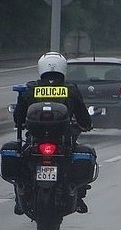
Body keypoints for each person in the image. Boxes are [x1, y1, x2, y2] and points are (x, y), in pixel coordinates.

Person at [13, 52, 93, 214]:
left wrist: (20, 121)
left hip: (34, 140)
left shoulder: (29, 89)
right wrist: (87, 124)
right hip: (64, 140)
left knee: (23, 163)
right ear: (63, 68)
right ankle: (78, 197)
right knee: (78, 159)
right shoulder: (70, 90)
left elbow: (19, 118)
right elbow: (82, 115)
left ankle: (19, 194)